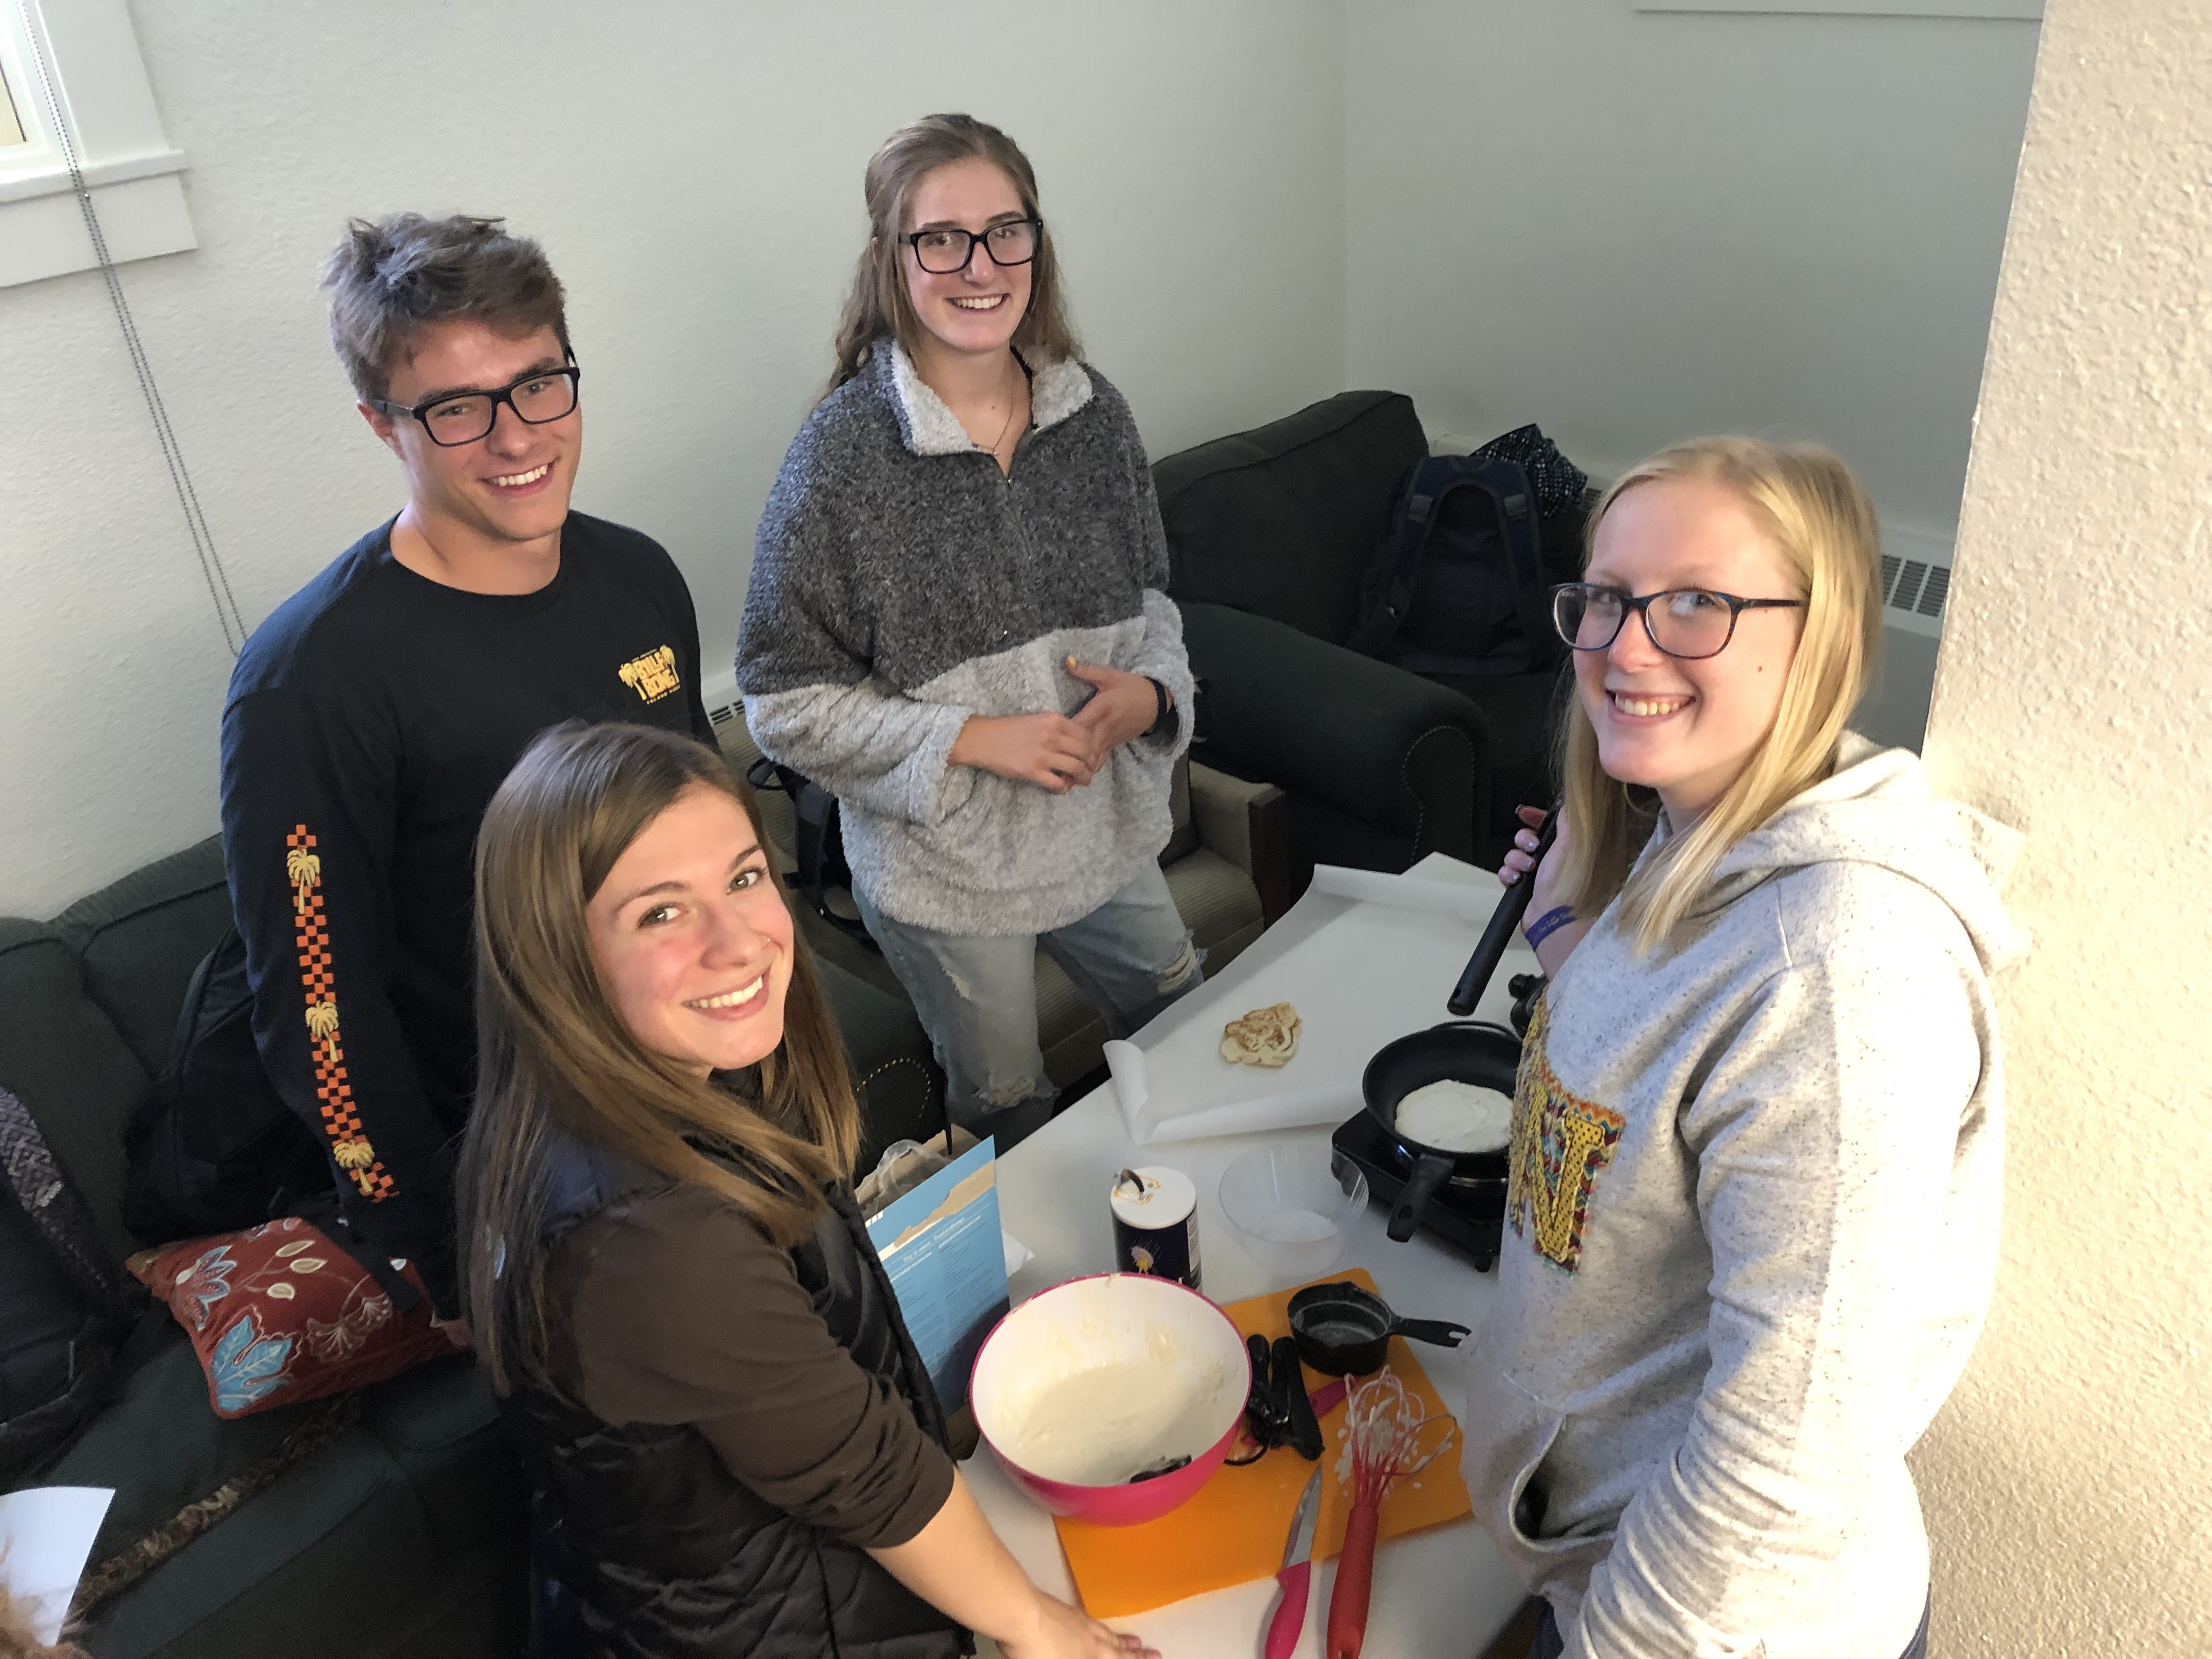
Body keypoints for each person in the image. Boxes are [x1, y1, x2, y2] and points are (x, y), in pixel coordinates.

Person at [1472, 438, 2024, 1659]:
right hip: (1603, 1565)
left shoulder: (1835, 976)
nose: (1624, 646)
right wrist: (1577, 925)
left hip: (1701, 1628)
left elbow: (1787, 1454)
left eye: (1696, 605)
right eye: (1607, 598)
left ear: (1817, 638)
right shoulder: (1700, 833)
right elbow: (1654, 1062)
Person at [456, 720, 1155, 1659]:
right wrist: (1043, 1629)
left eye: (744, 879)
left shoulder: (619, 1091)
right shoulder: (648, 1242)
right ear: (554, 953)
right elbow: (865, 1475)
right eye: (660, 912)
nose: (739, 943)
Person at [220, 214, 716, 1336]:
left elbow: (711, 832)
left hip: (696, 1089)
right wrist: (435, 1246)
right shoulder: (313, 681)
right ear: (380, 424)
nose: (514, 436)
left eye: (539, 383)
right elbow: (318, 1015)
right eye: (456, 408)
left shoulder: (639, 576)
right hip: (526, 1167)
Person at [737, 113, 1199, 1140]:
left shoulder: (1096, 418)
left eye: (1006, 231)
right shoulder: (841, 462)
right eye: (940, 238)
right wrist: (971, 741)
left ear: (1038, 243)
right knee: (1008, 1112)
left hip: (1102, 832)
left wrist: (1155, 695)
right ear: (890, 262)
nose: (978, 265)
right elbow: (778, 701)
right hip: (947, 876)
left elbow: (1155, 603)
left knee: (1189, 1022)